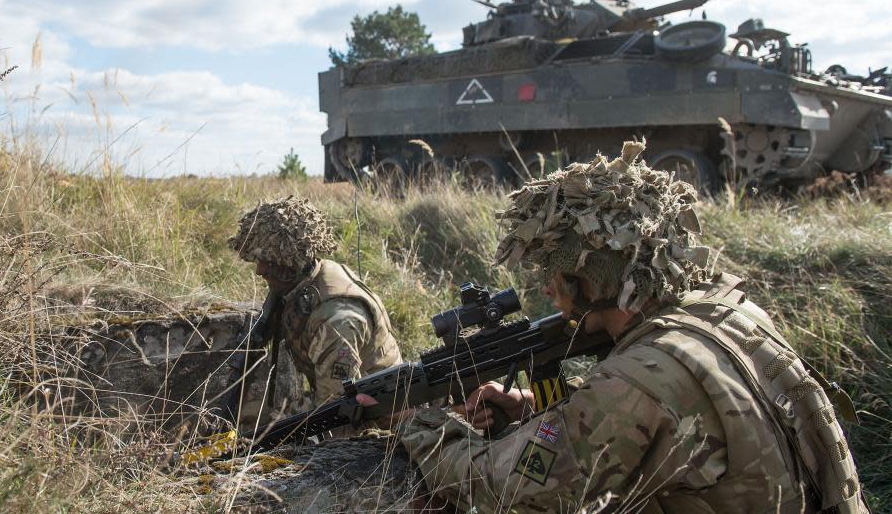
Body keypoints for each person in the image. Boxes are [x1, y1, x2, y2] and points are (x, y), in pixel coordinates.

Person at [362, 141, 868, 513]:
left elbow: (511, 489)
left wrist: (424, 429)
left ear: (583, 283)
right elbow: (669, 417)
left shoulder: (633, 384)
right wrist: (535, 409)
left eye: (554, 281)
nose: (547, 295)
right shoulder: (727, 313)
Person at [228, 195, 403, 411]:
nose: (259, 270)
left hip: (382, 417)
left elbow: (337, 411)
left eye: (268, 261)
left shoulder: (336, 323)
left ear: (290, 262)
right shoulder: (306, 279)